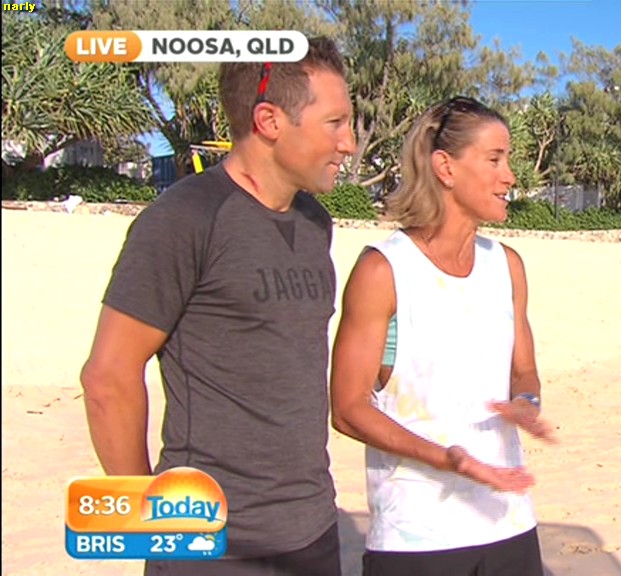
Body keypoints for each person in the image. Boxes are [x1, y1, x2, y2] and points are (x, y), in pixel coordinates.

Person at [79, 36, 356, 576]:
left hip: (312, 531)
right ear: (269, 121)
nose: (348, 143)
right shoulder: (184, 219)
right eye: (335, 123)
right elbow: (108, 378)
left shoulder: (314, 224)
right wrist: (150, 522)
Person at [329, 96, 555, 576]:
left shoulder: (507, 266)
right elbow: (348, 409)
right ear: (445, 167)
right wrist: (448, 460)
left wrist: (526, 403)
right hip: (416, 537)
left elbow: (523, 370)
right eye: (494, 159)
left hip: (508, 523)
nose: (510, 176)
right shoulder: (384, 270)